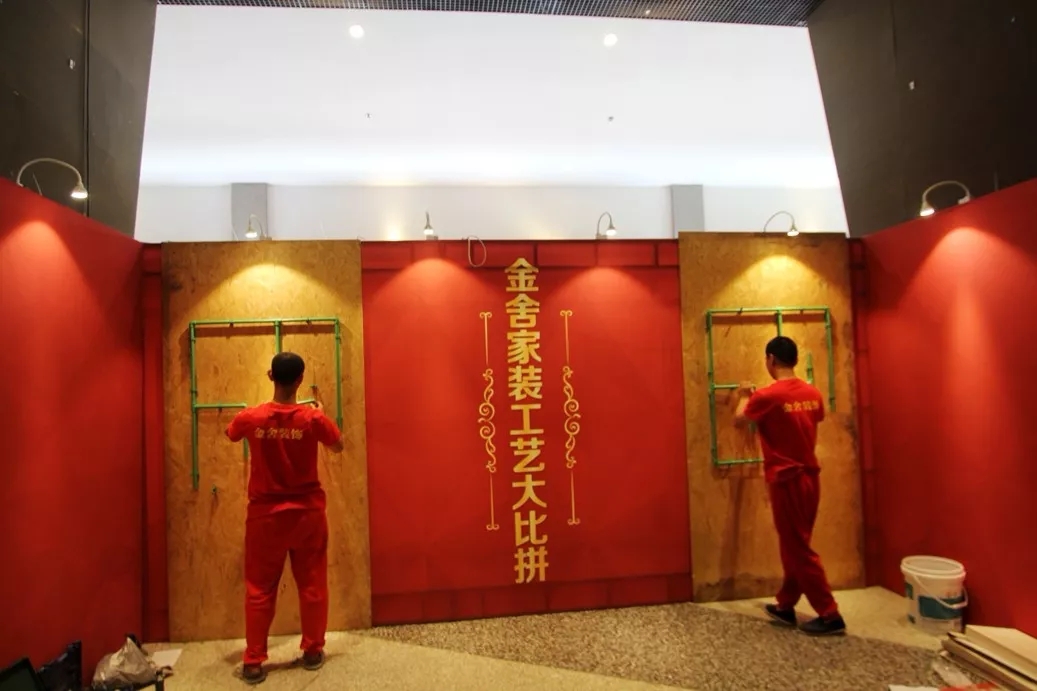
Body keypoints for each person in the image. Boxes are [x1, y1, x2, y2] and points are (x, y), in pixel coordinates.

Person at [225, 352, 345, 684]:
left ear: (270, 376)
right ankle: (312, 651)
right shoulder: (313, 419)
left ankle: (253, 661)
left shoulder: (252, 417)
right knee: (312, 584)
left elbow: (230, 432)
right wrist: (320, 413)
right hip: (307, 516)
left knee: (259, 589)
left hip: (265, 518)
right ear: (300, 379)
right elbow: (338, 445)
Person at [733, 336, 846, 636]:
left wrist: (744, 394)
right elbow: (812, 418)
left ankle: (830, 613)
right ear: (794, 359)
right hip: (810, 477)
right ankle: (786, 605)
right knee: (794, 542)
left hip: (786, 479)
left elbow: (739, 419)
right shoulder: (813, 393)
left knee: (798, 547)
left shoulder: (767, 396)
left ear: (770, 359)